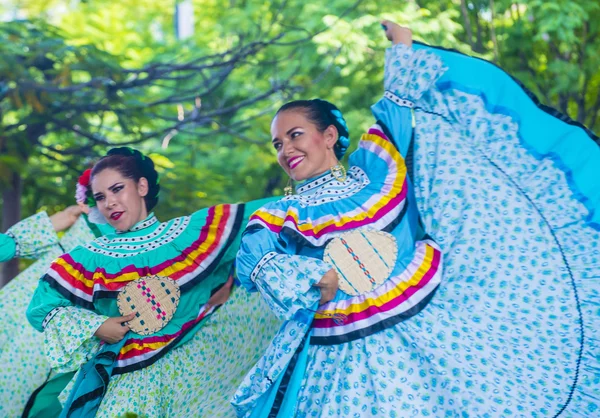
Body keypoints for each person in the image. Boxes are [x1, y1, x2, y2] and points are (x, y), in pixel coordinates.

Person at [232, 21, 599, 417]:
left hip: (429, 333)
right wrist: (307, 280)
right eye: (277, 143)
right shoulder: (278, 214)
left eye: (295, 135)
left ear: (330, 135)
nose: (286, 148)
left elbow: (396, 108)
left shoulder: (375, 172)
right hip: (341, 361)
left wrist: (402, 47)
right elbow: (254, 260)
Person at [27, 147, 281, 417]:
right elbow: (40, 308)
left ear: (142, 186)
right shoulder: (88, 258)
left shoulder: (191, 232)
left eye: (117, 189)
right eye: (100, 197)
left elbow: (276, 213)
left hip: (192, 368)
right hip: (127, 377)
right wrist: (97, 325)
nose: (109, 202)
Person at [0, 171, 113, 417]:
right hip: (12, 318)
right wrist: (54, 222)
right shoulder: (76, 222)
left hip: (57, 341)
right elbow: (5, 247)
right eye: (100, 193)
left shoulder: (134, 250)